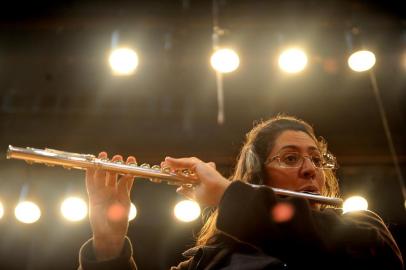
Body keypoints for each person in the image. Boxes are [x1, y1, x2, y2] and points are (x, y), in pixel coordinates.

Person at [78, 115, 404, 269]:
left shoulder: (360, 234)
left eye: (317, 159)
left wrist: (226, 195)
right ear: (257, 174)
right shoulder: (207, 263)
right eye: (291, 158)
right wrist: (108, 244)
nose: (310, 169)